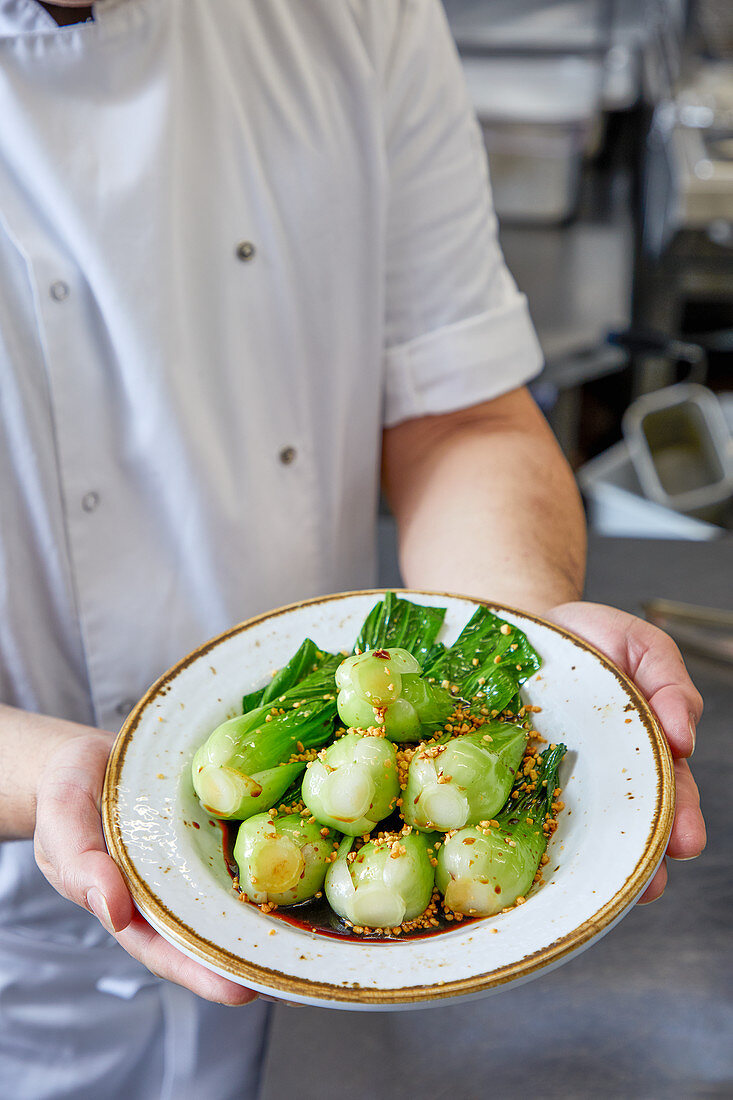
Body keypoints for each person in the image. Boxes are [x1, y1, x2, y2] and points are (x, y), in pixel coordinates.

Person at [0, 0, 705, 1097]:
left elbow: (458, 414)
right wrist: (51, 772)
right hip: (17, 958)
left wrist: (512, 651)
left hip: (328, 917)